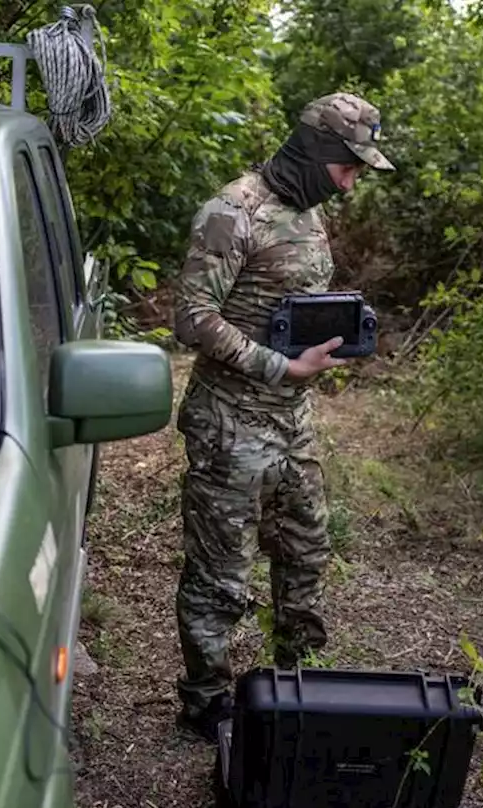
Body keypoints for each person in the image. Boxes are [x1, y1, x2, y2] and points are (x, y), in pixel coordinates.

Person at [169, 92, 396, 742]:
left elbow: (289, 302)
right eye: (349, 167)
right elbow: (191, 318)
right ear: (319, 152)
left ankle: (303, 683)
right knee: (222, 574)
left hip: (292, 423)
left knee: (305, 551)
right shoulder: (231, 212)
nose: (352, 182)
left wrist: (334, 336)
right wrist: (278, 366)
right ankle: (207, 702)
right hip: (230, 426)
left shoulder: (309, 212)